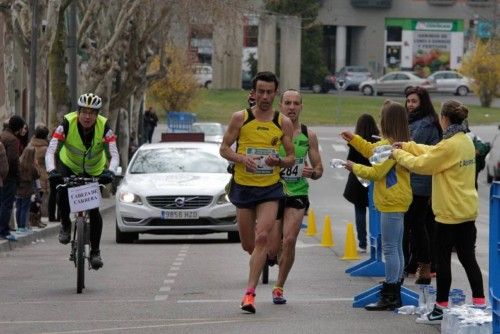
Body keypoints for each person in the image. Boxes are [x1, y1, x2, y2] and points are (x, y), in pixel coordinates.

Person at [392, 100, 486, 324]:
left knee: (442, 262)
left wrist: (397, 155)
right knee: (468, 259)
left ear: (444, 119)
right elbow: (432, 152)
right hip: (467, 211)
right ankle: (480, 304)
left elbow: (424, 164)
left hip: (448, 214)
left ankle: (440, 309)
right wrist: (407, 145)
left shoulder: (449, 145)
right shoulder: (464, 141)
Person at [219, 71, 295, 313]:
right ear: (253, 93)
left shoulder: (282, 122)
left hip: (270, 189)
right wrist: (242, 158)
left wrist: (278, 162)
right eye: (260, 91)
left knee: (262, 237)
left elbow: (291, 157)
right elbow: (223, 148)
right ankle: (260, 259)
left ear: (275, 93)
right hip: (243, 187)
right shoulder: (240, 118)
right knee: (248, 244)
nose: (264, 96)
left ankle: (249, 295)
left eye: (269, 92)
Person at [341, 100, 412, 311]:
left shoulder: (390, 147)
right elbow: (372, 150)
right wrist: (354, 140)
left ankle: (390, 294)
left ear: (387, 121)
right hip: (397, 199)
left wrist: (354, 168)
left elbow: (376, 172)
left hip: (391, 201)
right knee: (396, 247)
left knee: (390, 249)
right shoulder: (395, 142)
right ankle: (395, 288)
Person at [45, 93, 119, 270]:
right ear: (78, 112)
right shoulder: (66, 123)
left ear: (97, 115)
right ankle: (65, 224)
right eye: (84, 112)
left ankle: (95, 252)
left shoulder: (104, 127)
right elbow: (51, 150)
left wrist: (110, 172)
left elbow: (114, 154)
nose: (88, 117)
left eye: (92, 113)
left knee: (94, 212)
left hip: (95, 170)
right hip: (68, 165)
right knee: (62, 192)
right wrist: (52, 171)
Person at [266, 89, 323, 304]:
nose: (291, 107)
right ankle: (271, 254)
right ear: (280, 105)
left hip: (297, 192)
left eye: (296, 103)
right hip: (271, 192)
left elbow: (319, 169)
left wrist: (313, 172)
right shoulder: (270, 130)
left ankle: (279, 287)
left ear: (301, 107)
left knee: (289, 240)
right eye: (287, 103)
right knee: (272, 247)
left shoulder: (309, 134)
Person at [403, 86, 442, 285]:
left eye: (414, 101)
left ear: (422, 103)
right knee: (416, 224)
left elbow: (410, 145)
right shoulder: (416, 121)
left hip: (420, 181)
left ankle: (423, 265)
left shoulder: (425, 124)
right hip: (414, 179)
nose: (410, 105)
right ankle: (417, 264)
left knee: (414, 225)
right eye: (408, 101)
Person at [343, 114, 380, 253]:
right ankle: (376, 241)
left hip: (358, 180)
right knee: (375, 212)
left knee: (360, 212)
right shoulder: (377, 140)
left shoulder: (355, 141)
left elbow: (349, 160)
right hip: (374, 178)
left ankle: (362, 243)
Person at [0, 115, 26, 240]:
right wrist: (17, 176)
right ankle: (3, 230)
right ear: (19, 128)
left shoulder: (3, 135)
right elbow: (12, 160)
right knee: (7, 204)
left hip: (2, 176)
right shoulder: (13, 140)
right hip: (9, 177)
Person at [15, 145, 40, 233]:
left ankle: (18, 226)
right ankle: (23, 227)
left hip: (18, 189)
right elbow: (37, 178)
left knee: (18, 208)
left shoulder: (19, 164)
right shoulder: (32, 167)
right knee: (25, 209)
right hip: (28, 190)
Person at [29, 124, 50, 227]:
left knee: (35, 198)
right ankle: (34, 220)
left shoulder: (31, 144)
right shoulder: (45, 148)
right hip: (41, 174)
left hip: (32, 174)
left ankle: (36, 219)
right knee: (38, 199)